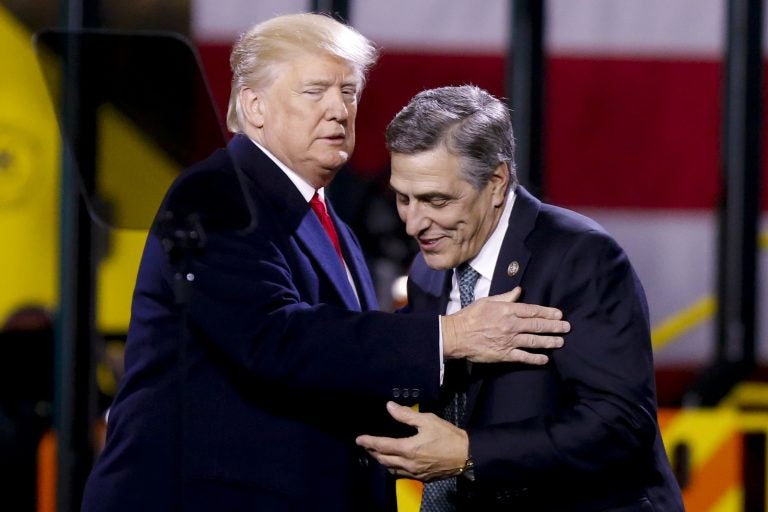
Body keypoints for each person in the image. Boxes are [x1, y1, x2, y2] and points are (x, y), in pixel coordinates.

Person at [80, 15, 571, 512]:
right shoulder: (217, 194)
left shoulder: (317, 210)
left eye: (349, 92)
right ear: (254, 106)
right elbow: (273, 337)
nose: (339, 109)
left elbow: (337, 355)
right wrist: (450, 337)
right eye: (315, 91)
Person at [356, 85, 685, 511]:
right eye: (403, 198)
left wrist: (470, 452)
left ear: (495, 182)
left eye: (435, 200)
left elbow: (620, 424)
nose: (414, 224)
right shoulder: (426, 271)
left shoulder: (580, 256)